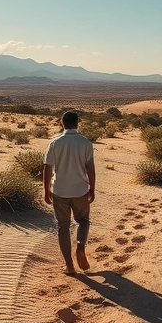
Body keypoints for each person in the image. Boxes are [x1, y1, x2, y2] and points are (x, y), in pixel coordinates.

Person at [43, 111, 96, 275]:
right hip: (81, 190)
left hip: (60, 190)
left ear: (62, 123)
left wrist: (46, 190)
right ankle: (80, 247)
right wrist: (92, 188)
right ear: (77, 123)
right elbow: (90, 169)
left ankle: (69, 266)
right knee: (83, 221)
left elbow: (47, 167)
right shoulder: (85, 143)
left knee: (63, 226)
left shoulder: (55, 142)